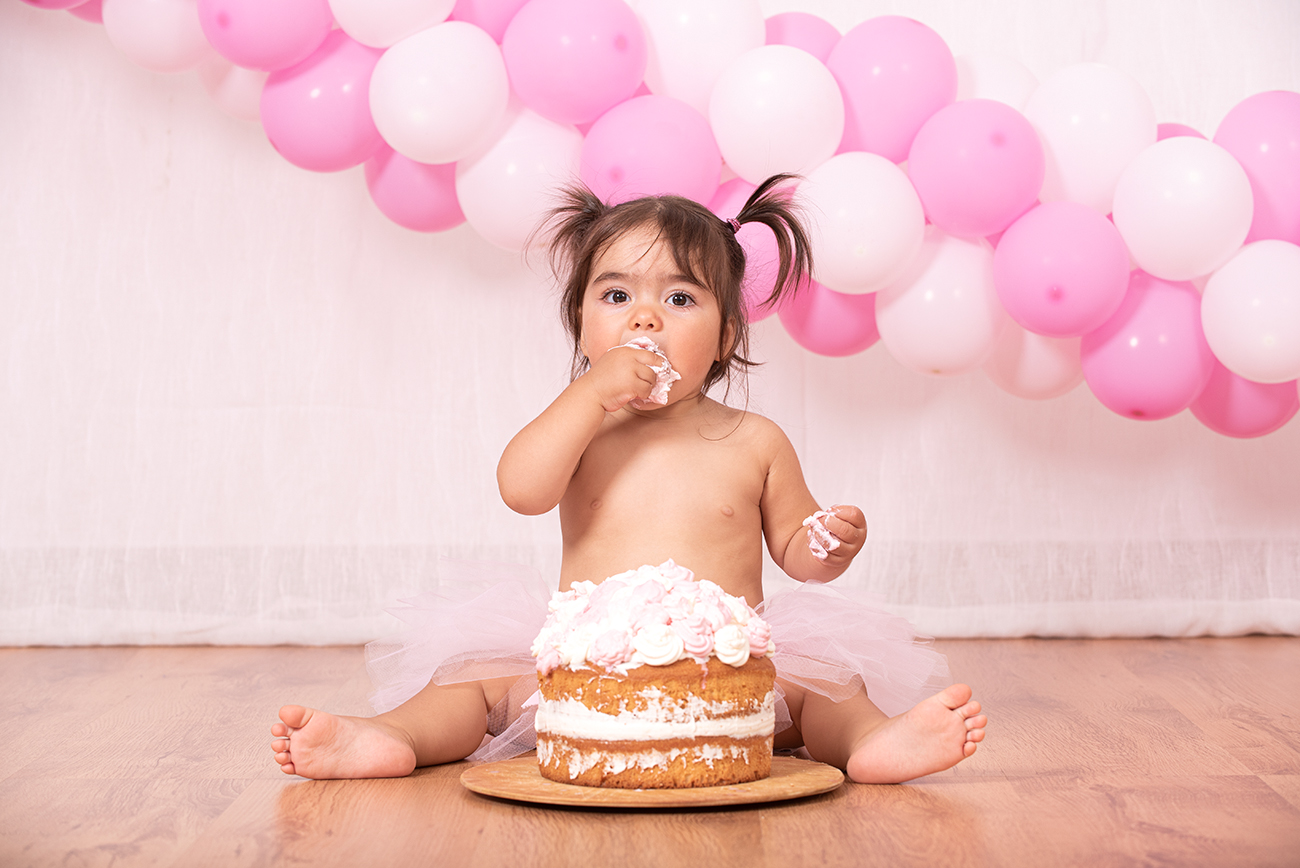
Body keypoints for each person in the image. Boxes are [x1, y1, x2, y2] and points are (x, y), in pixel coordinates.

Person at [270, 175, 986, 784]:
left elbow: (797, 550)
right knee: (472, 679)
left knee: (829, 684)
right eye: (616, 298)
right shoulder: (581, 428)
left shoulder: (755, 440)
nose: (645, 317)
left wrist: (829, 541)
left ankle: (870, 743)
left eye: (680, 300)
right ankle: (391, 739)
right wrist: (588, 397)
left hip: (722, 673)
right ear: (580, 325)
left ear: (727, 337)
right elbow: (521, 489)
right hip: (588, 670)